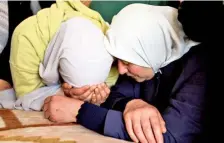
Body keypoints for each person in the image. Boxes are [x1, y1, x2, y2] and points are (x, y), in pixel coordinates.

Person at [43, 3, 207, 143]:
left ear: (151, 51)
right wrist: (132, 104)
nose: (120, 70)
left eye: (127, 62)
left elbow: (168, 136)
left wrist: (80, 112)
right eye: (118, 60)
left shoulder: (200, 70)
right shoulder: (153, 59)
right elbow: (116, 94)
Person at [10, 0, 118, 106]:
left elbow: (109, 87)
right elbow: (26, 96)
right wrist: (65, 95)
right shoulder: (27, 38)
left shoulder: (110, 47)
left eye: (88, 91)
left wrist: (98, 97)